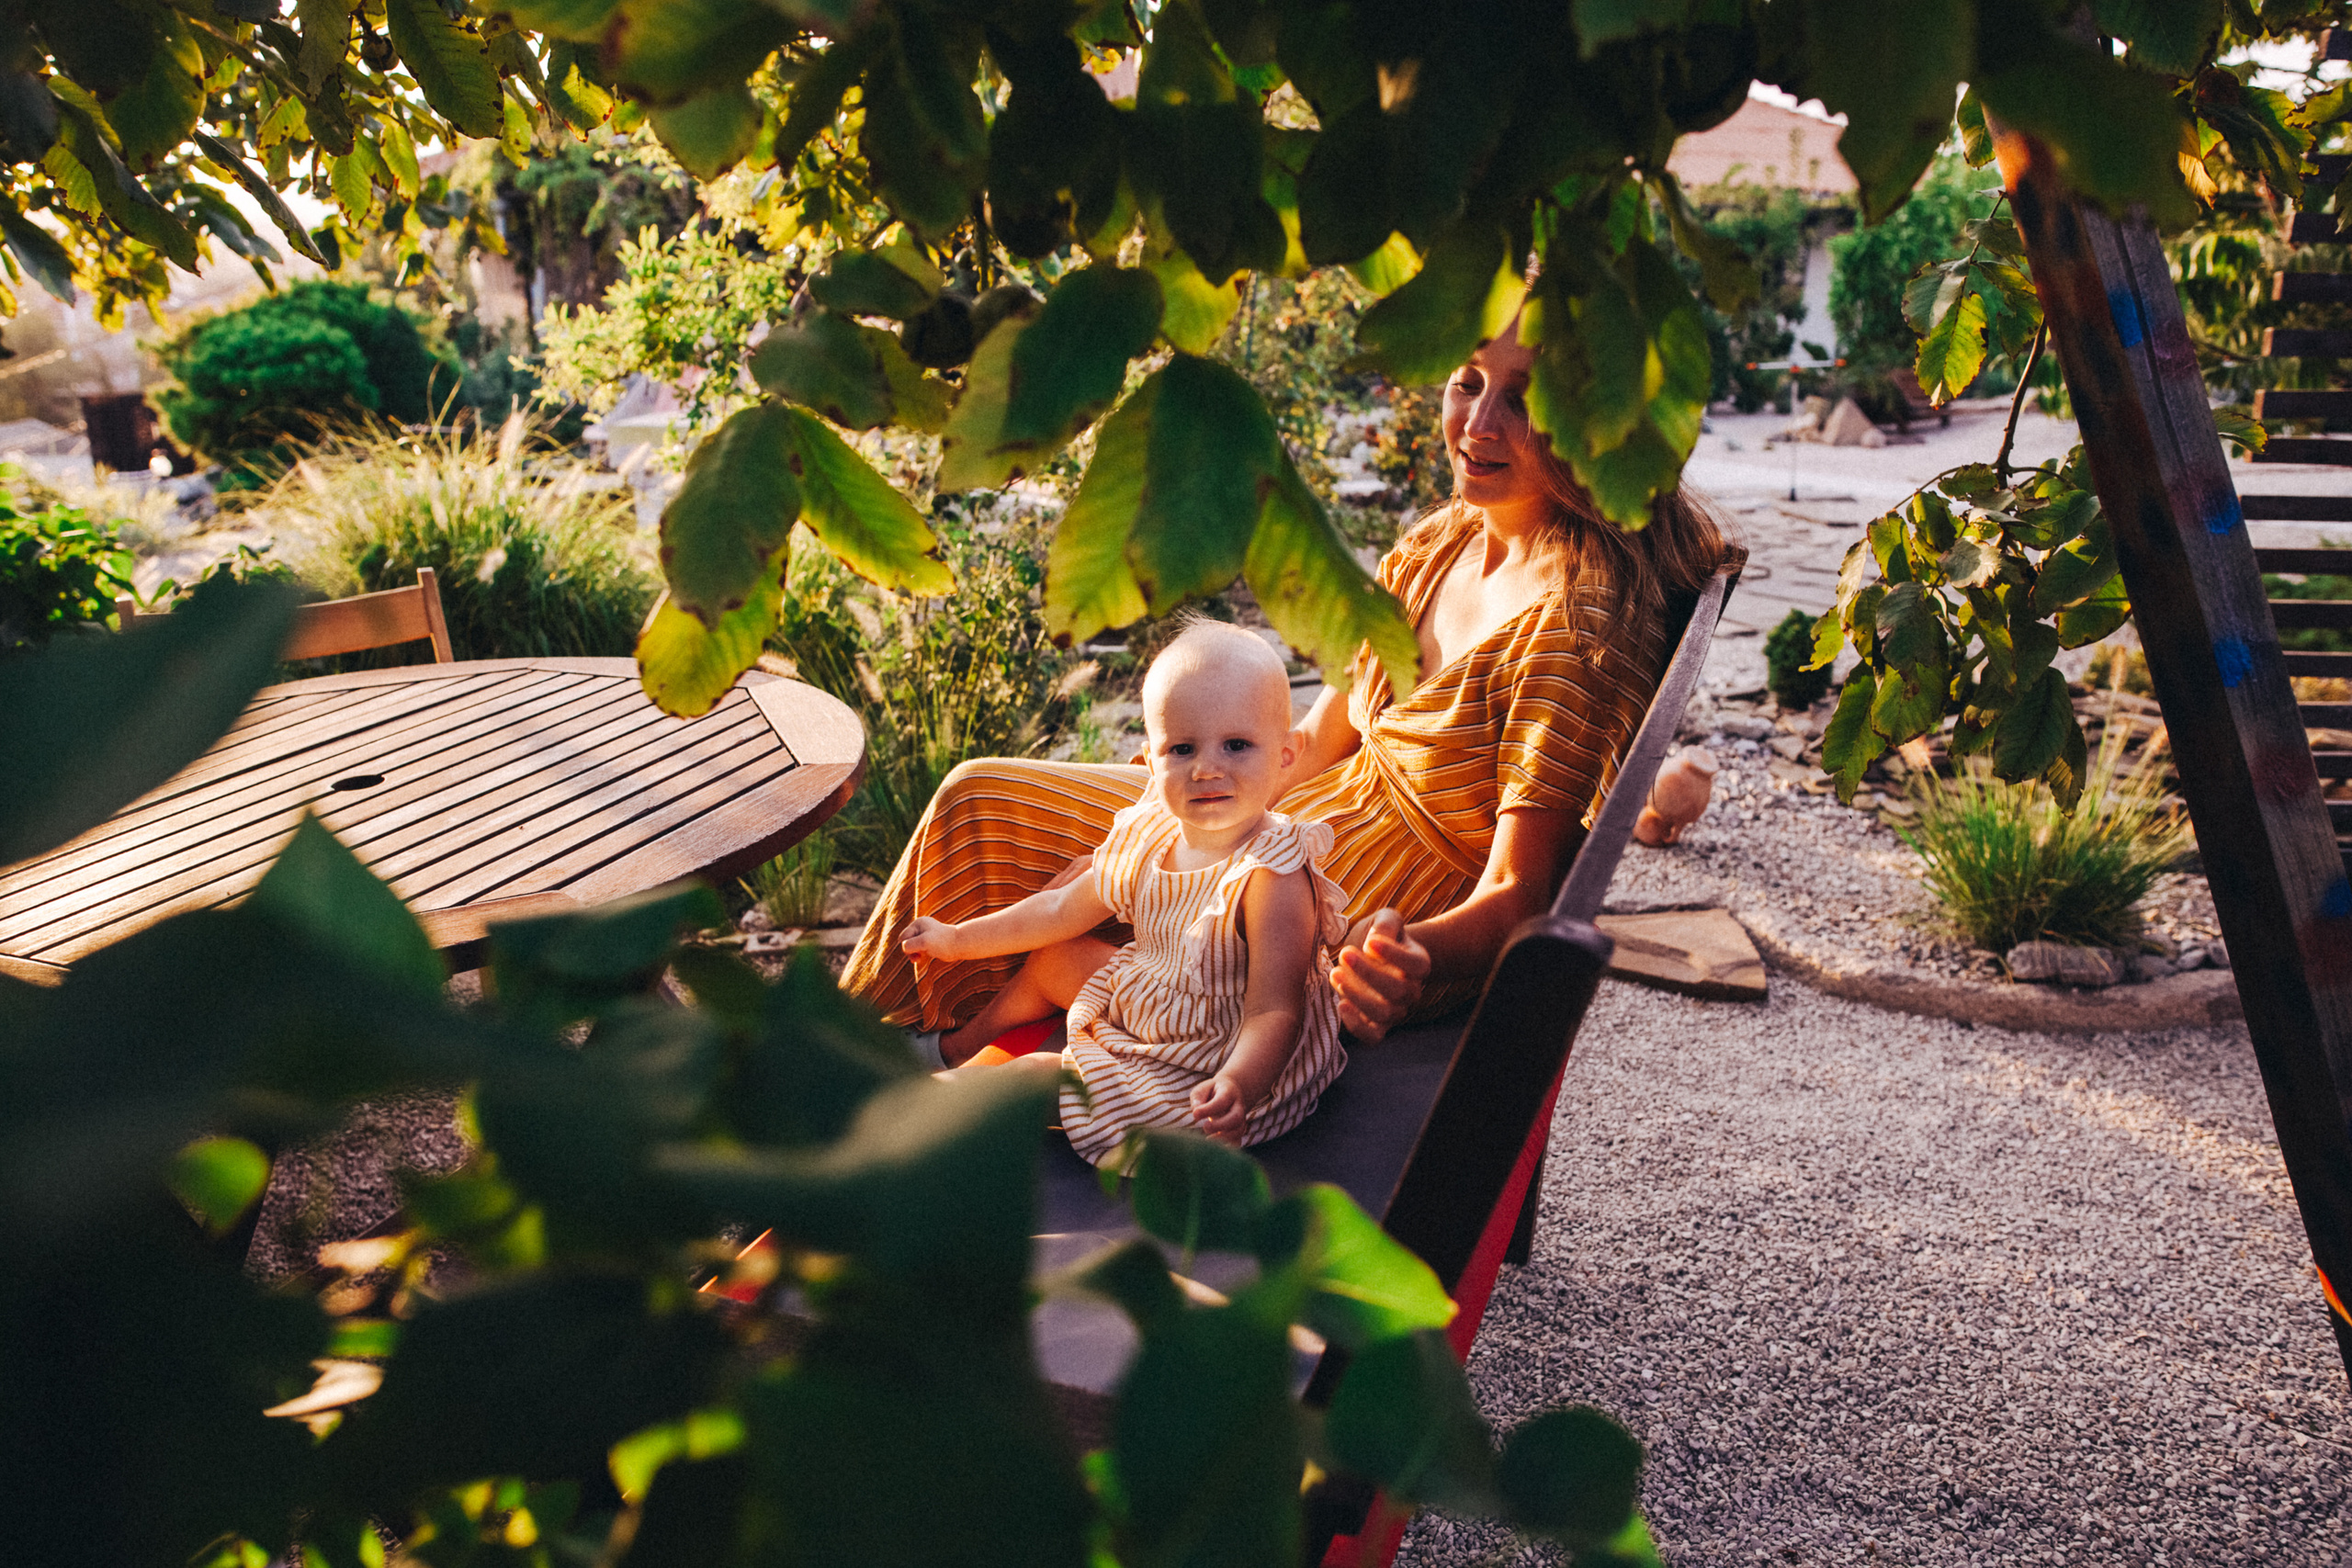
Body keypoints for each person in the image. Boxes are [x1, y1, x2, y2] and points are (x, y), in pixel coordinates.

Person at [842, 318, 1735, 1055]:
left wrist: (1406, 953)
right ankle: (857, 1049)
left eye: (1525, 401)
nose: (1479, 424)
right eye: (1468, 381)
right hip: (1298, 809)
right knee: (983, 800)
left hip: (1359, 906)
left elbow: (1518, 892)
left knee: (1109, 879)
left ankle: (911, 1078)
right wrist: (1181, 773)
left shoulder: (1573, 627)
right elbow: (1315, 743)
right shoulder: (1440, 543)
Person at [899, 621, 1350, 1162]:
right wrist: (955, 940)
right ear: (1149, 759)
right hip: (1162, 1003)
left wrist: (1239, 1086)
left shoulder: (1270, 874)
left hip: (1216, 1065)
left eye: (1236, 745)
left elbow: (1276, 1012)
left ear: (1285, 753)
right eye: (1181, 749)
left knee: (1031, 1080)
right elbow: (1060, 908)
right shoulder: (1152, 832)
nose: (1207, 768)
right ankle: (960, 1049)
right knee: (1055, 956)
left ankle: (904, 1119)